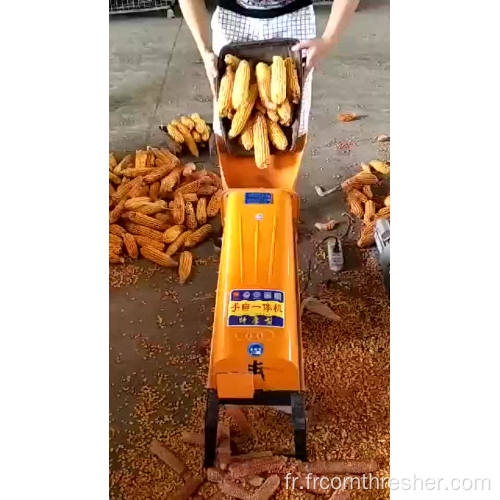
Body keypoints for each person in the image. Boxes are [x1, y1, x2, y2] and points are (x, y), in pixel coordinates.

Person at [179, 0, 359, 136]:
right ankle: (236, 182)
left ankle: (282, 183)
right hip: (232, 20)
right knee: (230, 120)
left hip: (294, 18)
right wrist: (205, 51)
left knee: (291, 122)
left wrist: (329, 38)